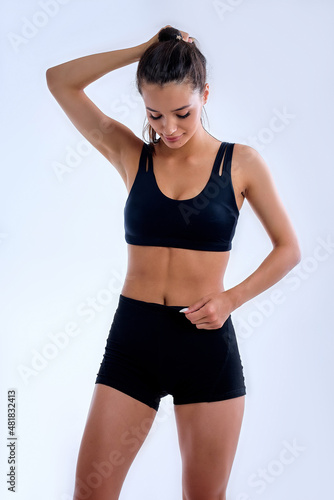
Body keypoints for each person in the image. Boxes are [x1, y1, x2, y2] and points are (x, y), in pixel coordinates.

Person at [46, 25, 301, 500]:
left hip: (206, 347)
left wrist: (230, 299)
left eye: (182, 113)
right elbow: (59, 80)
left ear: (205, 94)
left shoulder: (240, 163)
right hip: (133, 343)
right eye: (155, 114)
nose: (169, 128)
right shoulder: (131, 156)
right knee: (90, 494)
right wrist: (144, 51)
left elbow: (289, 248)